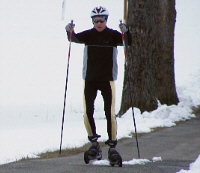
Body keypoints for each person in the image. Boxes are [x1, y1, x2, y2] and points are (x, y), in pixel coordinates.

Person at [65, 6, 132, 163]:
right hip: (89, 79)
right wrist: (69, 31)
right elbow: (73, 38)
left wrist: (125, 31)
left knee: (110, 113)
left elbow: (128, 42)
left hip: (107, 79)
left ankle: (112, 147)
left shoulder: (113, 35)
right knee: (88, 111)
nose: (99, 23)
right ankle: (94, 143)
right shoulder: (89, 35)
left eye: (102, 20)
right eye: (96, 21)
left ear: (106, 20)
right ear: (92, 21)